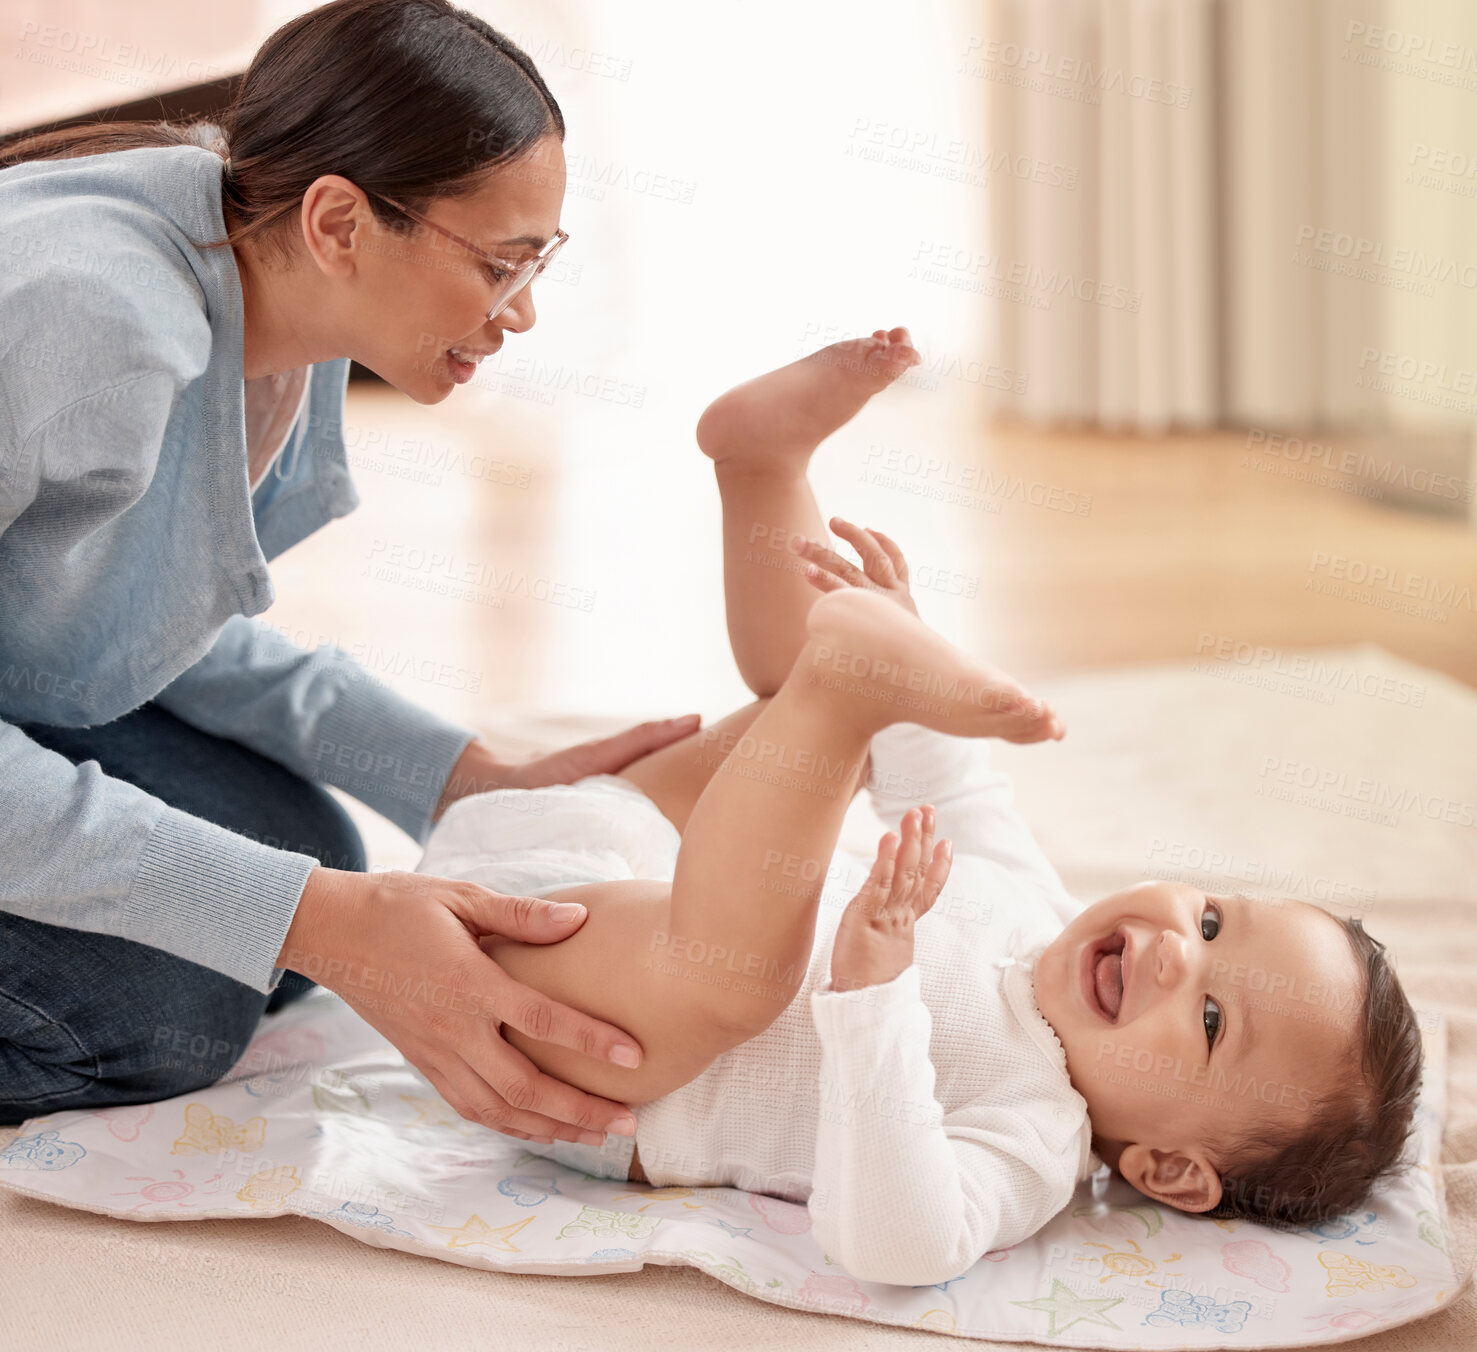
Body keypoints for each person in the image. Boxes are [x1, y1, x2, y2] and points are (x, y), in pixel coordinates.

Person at [407, 328, 1426, 1287]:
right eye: (1209, 919)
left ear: (1169, 1169)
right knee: (807, 730)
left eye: (1209, 1016)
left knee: (739, 966)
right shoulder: (1031, 904)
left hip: (541, 1025)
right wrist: (904, 637)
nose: (1173, 949)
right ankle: (761, 465)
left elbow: (896, 1242)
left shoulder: (1033, 1137)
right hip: (597, 841)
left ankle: (842, 676)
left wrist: (875, 993)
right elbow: (947, 781)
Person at [0, 0, 695, 1147]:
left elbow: (129, 613)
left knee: (309, 851)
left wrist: (463, 776)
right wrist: (317, 921)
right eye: (500, 264)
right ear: (340, 221)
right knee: (165, 1010)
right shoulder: (88, 317)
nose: (521, 313)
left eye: (541, 261)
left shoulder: (276, 288)